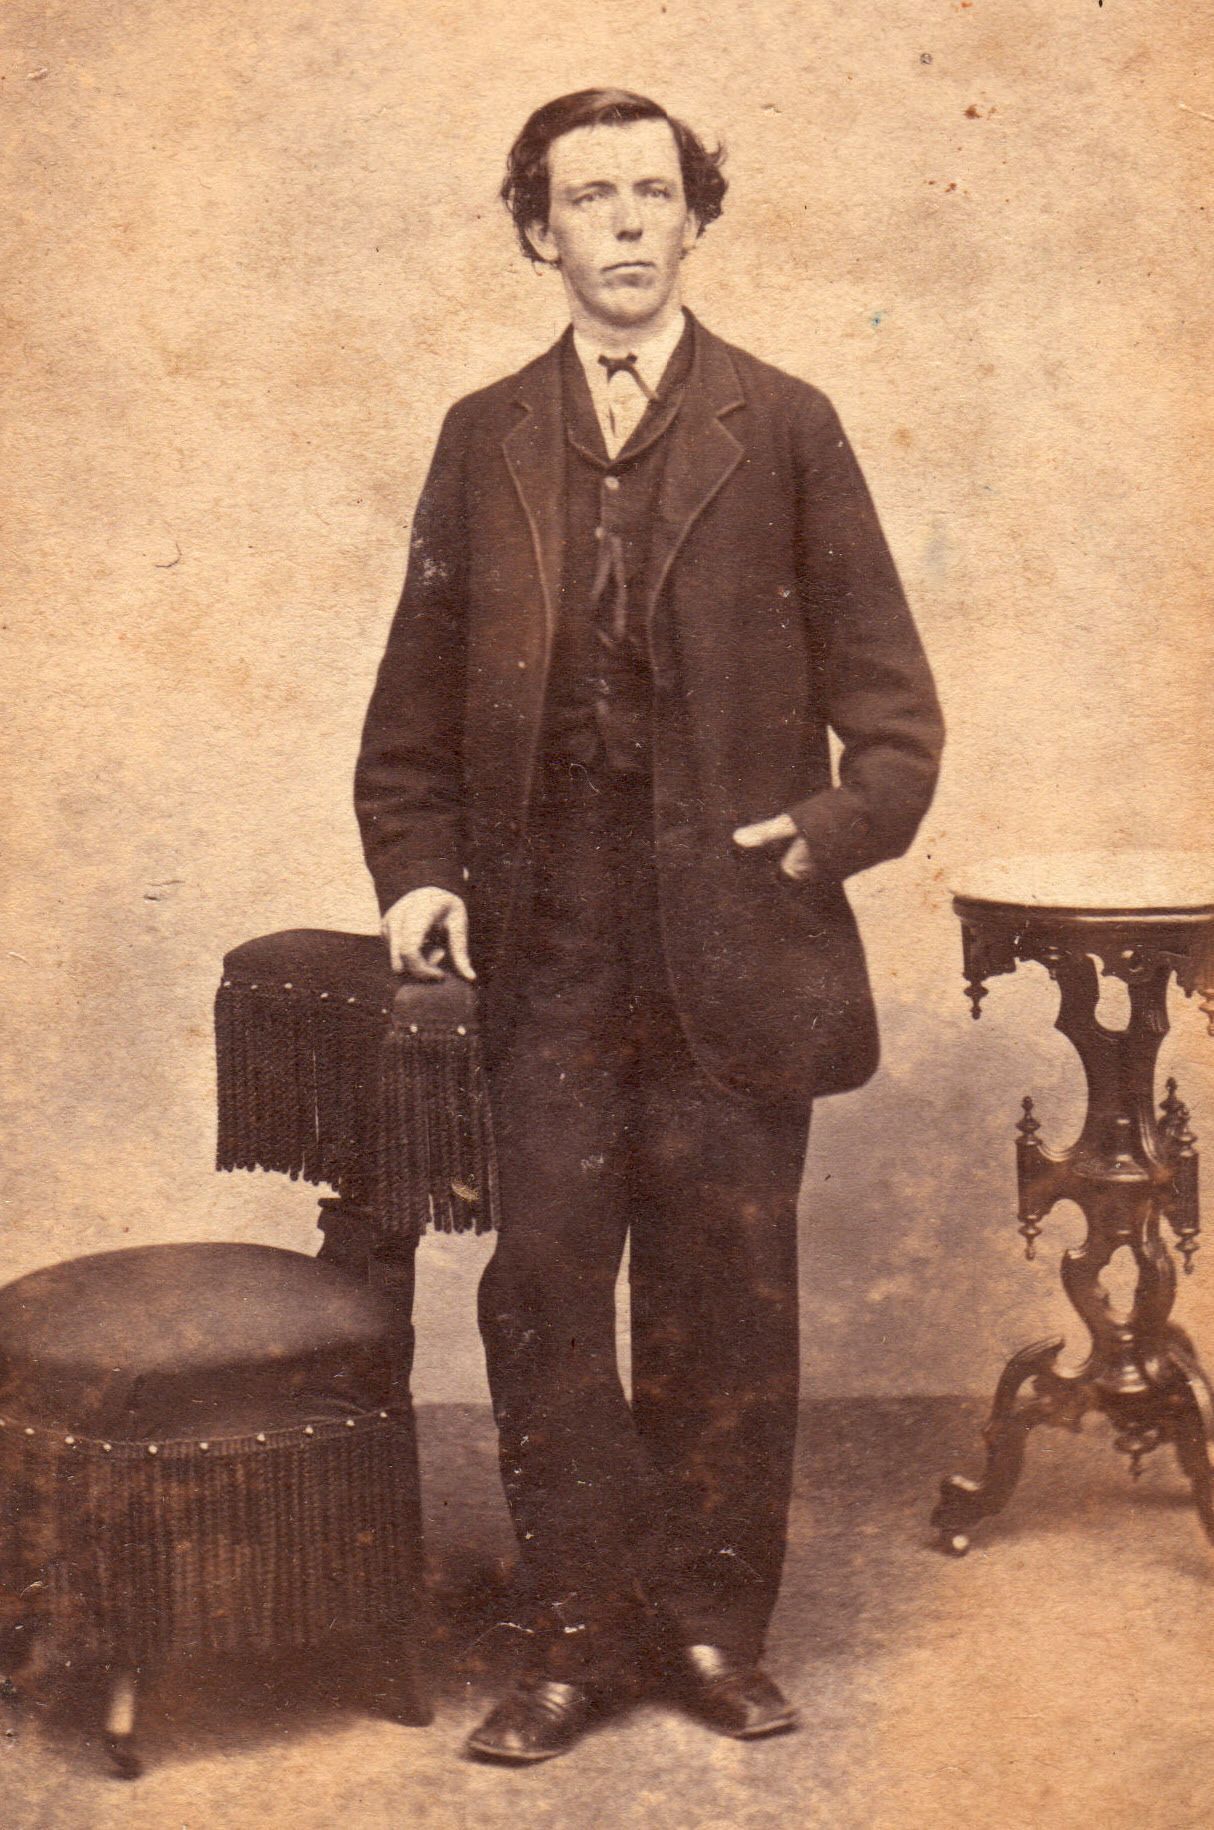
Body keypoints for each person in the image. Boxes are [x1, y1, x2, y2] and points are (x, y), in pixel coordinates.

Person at [355, 87, 944, 1763]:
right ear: (535, 229)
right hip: (547, 948)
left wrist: (822, 831)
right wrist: (419, 872)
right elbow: (408, 720)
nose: (622, 221)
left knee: (723, 1293)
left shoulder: (789, 424)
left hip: (738, 941)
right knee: (542, 1285)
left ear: (693, 218)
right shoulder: (483, 435)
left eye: (651, 192)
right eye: (586, 196)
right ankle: (573, 1631)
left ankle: (706, 1628)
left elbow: (896, 721)